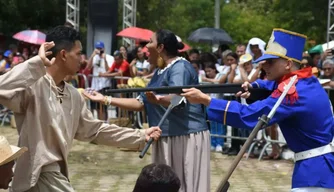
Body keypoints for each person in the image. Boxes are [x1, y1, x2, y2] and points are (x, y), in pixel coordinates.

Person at [0, 26, 161, 192]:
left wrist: (140, 136)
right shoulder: (33, 85)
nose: (82, 59)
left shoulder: (73, 95)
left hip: (56, 177)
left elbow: (95, 130)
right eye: (78, 53)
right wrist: (37, 63)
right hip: (36, 177)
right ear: (63, 54)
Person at [182, 28, 334, 192]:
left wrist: (207, 101)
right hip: (316, 168)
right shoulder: (304, 80)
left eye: (271, 62)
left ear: (288, 64)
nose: (264, 65)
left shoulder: (292, 92)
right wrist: (252, 86)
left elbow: (249, 116)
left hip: (315, 173)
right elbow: (270, 85)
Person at [83, 29, 210, 192]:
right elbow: (140, 102)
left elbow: (177, 98)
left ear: (160, 48)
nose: (145, 47)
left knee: (183, 185)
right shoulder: (159, 71)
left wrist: (157, 99)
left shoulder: (180, 68)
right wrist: (105, 99)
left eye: (150, 42)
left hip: (184, 136)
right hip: (165, 135)